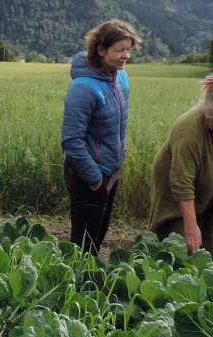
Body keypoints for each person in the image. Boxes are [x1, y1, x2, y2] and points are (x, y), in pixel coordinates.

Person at [62, 20, 139, 257]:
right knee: (82, 244)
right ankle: (73, 287)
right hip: (89, 175)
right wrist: (95, 180)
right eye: (119, 50)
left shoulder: (120, 75)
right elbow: (71, 141)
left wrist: (119, 158)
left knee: (98, 236)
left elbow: (119, 123)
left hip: (111, 170)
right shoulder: (83, 88)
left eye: (128, 49)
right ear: (101, 50)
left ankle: (88, 283)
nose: (125, 56)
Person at [148, 74, 213, 259]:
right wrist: (191, 227)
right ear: (205, 111)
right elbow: (182, 183)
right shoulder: (188, 130)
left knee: (206, 239)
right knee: (177, 242)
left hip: (209, 190)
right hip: (176, 192)